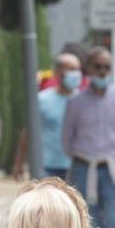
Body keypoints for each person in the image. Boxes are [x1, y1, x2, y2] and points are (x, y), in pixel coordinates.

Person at [61, 46, 115, 228]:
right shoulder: (75, 102)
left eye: (107, 67)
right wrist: (80, 158)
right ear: (89, 69)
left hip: (113, 169)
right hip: (84, 168)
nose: (103, 71)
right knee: (86, 224)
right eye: (98, 66)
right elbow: (67, 138)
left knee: (114, 224)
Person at [33, 51, 81, 181]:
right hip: (47, 168)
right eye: (71, 69)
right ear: (58, 73)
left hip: (77, 166)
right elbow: (29, 133)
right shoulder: (42, 99)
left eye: (77, 69)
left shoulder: (83, 101)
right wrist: (19, 163)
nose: (76, 74)